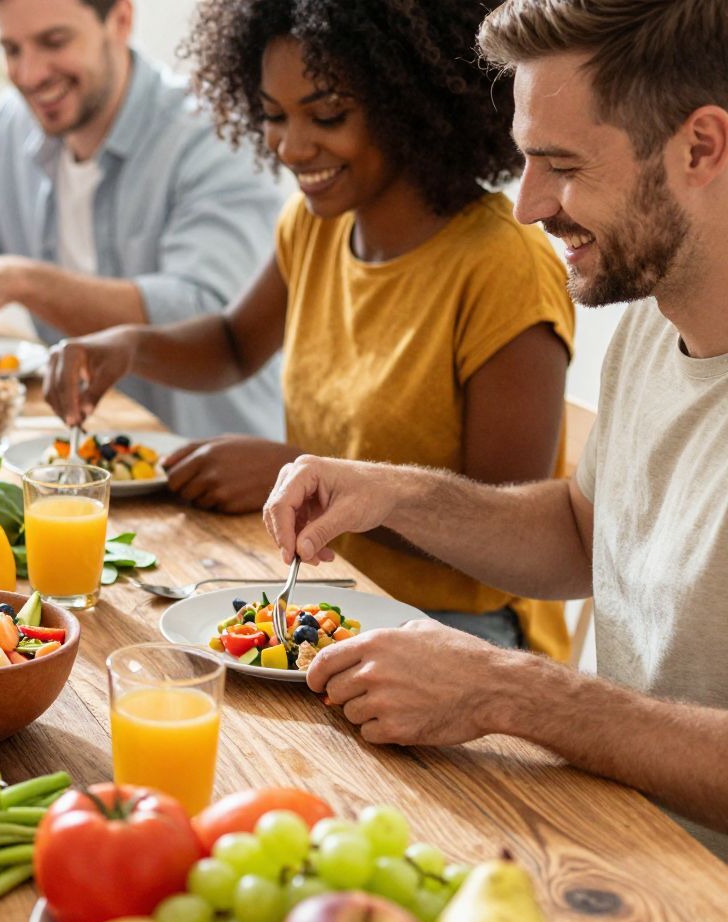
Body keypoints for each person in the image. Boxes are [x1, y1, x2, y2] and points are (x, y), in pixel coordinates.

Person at [262, 0, 728, 857]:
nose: (528, 206)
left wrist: (513, 692)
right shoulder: (652, 328)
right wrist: (389, 494)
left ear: (701, 146)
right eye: (525, 162)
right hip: (614, 845)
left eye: (561, 165)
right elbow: (583, 534)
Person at [46, 0, 575, 655]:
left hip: (466, 633)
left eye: (327, 116)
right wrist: (126, 346)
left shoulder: (502, 266)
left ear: (409, 101)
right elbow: (234, 346)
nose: (291, 147)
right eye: (273, 116)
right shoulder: (317, 224)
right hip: (336, 598)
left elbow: (505, 529)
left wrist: (304, 479)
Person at [0, 0, 286, 440]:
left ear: (121, 20)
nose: (29, 74)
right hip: (84, 451)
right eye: (12, 49)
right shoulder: (13, 126)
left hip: (212, 465)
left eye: (54, 42)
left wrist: (21, 281)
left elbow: (206, 317)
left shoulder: (213, 135)